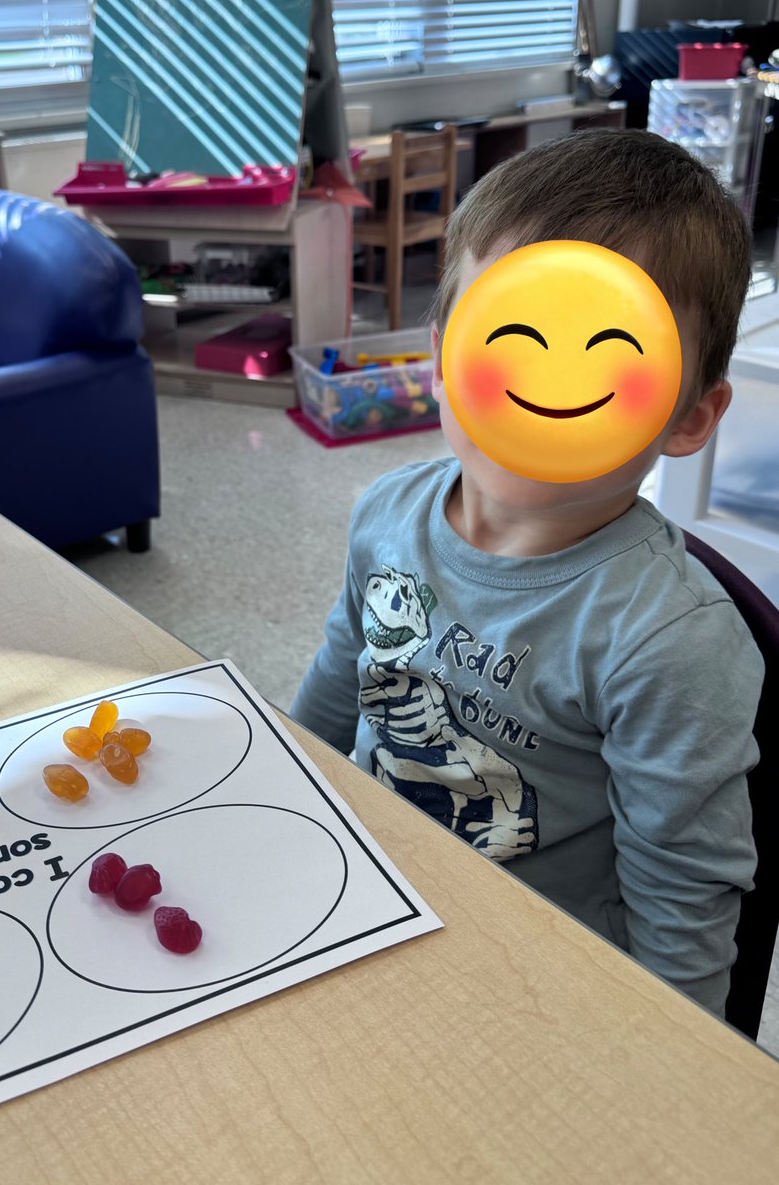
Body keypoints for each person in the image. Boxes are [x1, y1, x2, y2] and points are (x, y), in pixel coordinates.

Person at [290, 128, 765, 1016]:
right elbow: (335, 683)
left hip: (533, 978)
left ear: (689, 416)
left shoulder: (668, 643)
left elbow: (683, 901)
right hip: (369, 890)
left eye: (609, 356)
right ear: (441, 357)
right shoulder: (386, 513)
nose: (549, 382)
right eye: (513, 334)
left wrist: (676, 1083)